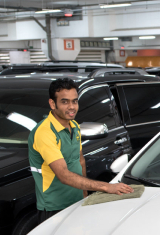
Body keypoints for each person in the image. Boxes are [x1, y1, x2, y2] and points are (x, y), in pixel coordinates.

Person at [28, 78, 133, 223]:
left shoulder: (74, 126)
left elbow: (80, 161)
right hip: (55, 208)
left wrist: (84, 195)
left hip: (76, 202)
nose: (72, 107)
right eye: (65, 102)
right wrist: (106, 187)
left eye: (75, 101)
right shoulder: (45, 132)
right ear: (53, 103)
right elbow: (63, 175)